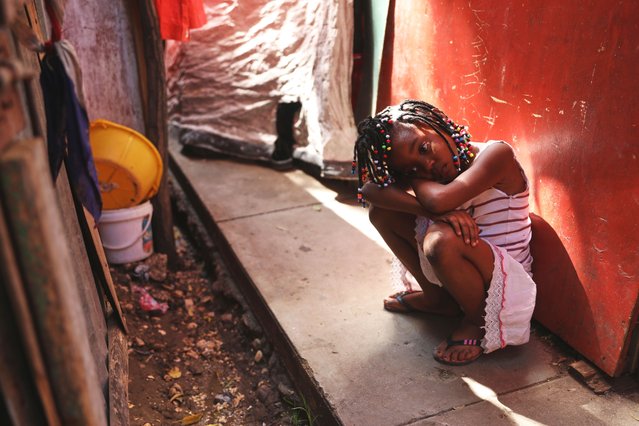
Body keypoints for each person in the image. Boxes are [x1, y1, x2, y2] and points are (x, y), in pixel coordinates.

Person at [352, 99, 537, 366]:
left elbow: (439, 202)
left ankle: (477, 320)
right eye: (411, 169)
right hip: (462, 264)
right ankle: (438, 299)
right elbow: (370, 190)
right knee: (382, 214)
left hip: (504, 274)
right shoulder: (432, 177)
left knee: (440, 240)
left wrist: (416, 183)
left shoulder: (496, 155)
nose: (428, 166)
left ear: (436, 125)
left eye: (425, 148)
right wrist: (431, 212)